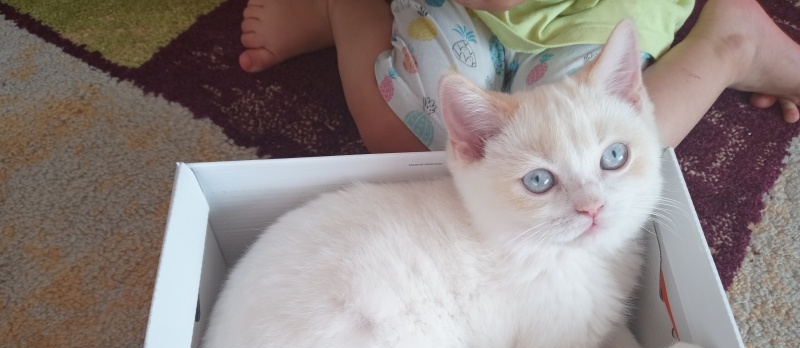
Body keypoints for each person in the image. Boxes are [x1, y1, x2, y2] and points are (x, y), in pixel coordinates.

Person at [238, 0, 800, 154]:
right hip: (460, 10)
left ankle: (731, 43)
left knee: (606, 140)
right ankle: (344, 8)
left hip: (590, 11)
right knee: (408, 139)